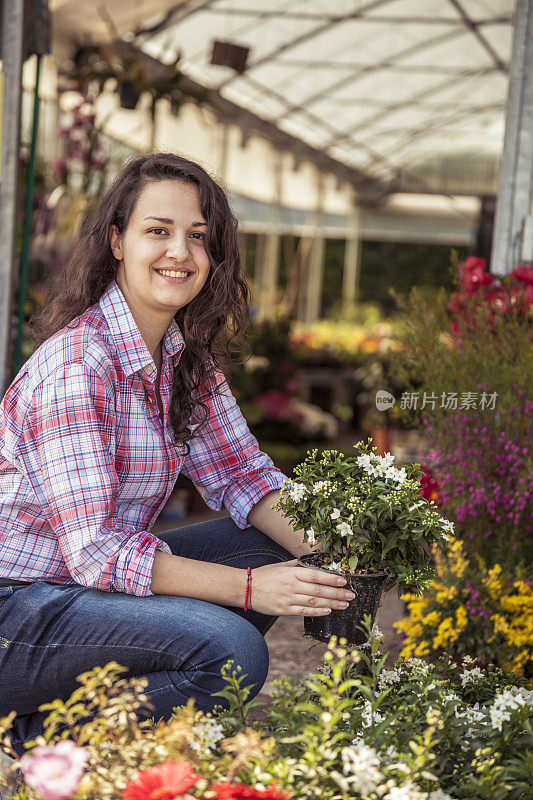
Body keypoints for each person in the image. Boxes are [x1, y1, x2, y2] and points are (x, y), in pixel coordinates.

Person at [0, 153, 355, 753]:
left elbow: (244, 475)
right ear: (117, 241)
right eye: (157, 231)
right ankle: (35, 733)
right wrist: (250, 588)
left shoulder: (185, 361)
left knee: (267, 542)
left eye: (198, 237)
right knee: (230, 652)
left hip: (83, 594)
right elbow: (93, 552)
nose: (179, 253)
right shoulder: (77, 366)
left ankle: (134, 707)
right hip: (17, 611)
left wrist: (339, 552)